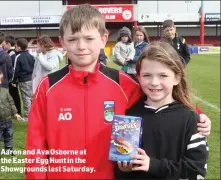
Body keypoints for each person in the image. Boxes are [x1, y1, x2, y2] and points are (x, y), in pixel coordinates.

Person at [25, 4, 211, 180]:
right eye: (72, 39)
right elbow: (35, 145)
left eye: (89, 38)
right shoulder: (48, 86)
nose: (81, 46)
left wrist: (199, 116)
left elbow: (161, 98)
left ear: (104, 39)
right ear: (62, 42)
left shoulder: (123, 84)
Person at [115, 41, 208, 180]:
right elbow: (119, 168)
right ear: (139, 77)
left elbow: (196, 171)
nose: (154, 82)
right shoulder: (128, 115)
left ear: (177, 77)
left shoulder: (191, 119)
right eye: (147, 75)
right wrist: (124, 169)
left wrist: (152, 165)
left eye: (163, 75)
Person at [11, 38, 35, 120]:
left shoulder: (18, 56)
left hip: (23, 80)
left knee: (26, 98)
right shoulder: (31, 56)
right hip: (32, 79)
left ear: (19, 47)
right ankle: (34, 113)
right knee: (32, 97)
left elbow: (15, 70)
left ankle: (28, 116)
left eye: (16, 46)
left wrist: (13, 81)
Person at [0, 69, 21, 153]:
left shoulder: (5, 91)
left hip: (7, 119)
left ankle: (8, 148)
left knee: (9, 134)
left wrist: (15, 113)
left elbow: (11, 103)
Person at [3, 35, 21, 115]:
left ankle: (17, 111)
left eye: (4, 44)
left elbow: (13, 67)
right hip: (13, 78)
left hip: (12, 78)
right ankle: (15, 111)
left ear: (8, 44)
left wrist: (12, 78)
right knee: (13, 95)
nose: (3, 45)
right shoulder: (12, 53)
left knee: (14, 95)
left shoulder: (11, 53)